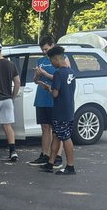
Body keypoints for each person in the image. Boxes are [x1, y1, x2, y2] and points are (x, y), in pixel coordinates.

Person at [39, 45, 76, 175]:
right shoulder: (71, 71)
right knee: (56, 136)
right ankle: (51, 163)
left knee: (65, 137)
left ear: (56, 59)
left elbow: (55, 94)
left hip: (60, 111)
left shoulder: (58, 73)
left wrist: (48, 88)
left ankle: (70, 166)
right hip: (69, 109)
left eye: (51, 61)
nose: (51, 64)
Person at [30, 35, 57, 166]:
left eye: (46, 49)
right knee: (44, 127)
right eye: (42, 49)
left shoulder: (60, 59)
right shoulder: (40, 60)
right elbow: (35, 81)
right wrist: (37, 76)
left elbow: (61, 77)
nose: (44, 52)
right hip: (41, 97)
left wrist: (45, 74)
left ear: (52, 45)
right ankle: (44, 154)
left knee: (56, 129)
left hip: (53, 97)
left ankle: (56, 156)